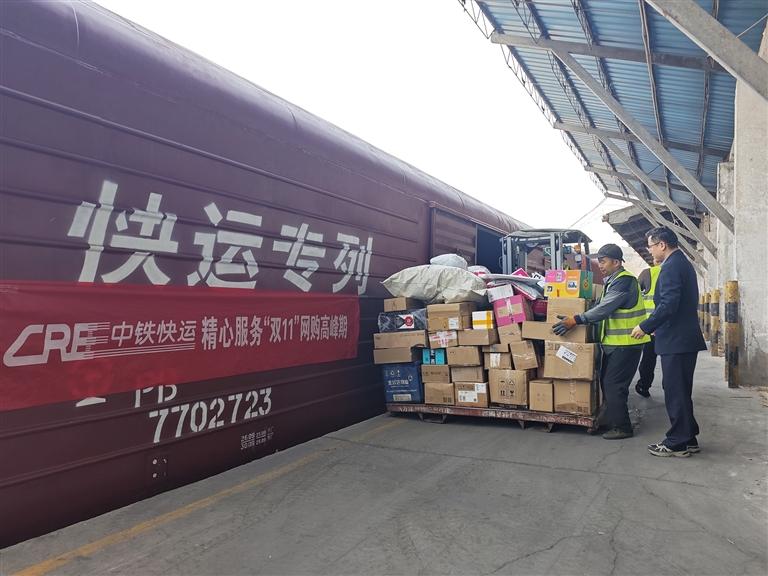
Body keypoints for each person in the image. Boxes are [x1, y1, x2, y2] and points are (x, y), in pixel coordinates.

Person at [553, 243, 650, 440]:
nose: (600, 265)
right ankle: (610, 419)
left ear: (616, 262)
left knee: (614, 385)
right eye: (599, 261)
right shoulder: (613, 281)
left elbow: (604, 309)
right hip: (616, 344)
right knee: (609, 383)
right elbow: (599, 306)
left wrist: (576, 320)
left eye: (603, 261)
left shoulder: (624, 281)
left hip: (626, 344)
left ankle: (623, 427)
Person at [631, 227, 706, 458]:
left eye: (651, 246)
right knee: (679, 390)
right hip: (679, 337)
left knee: (675, 391)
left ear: (662, 245)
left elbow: (669, 304)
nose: (650, 251)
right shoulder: (680, 263)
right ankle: (688, 437)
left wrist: (646, 326)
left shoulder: (672, 266)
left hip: (678, 340)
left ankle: (677, 443)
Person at [635, 263, 661, 398]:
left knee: (648, 359)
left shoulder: (647, 273)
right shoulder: (676, 271)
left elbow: (634, 295)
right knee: (670, 361)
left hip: (650, 325)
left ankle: (644, 386)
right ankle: (671, 390)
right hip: (669, 327)